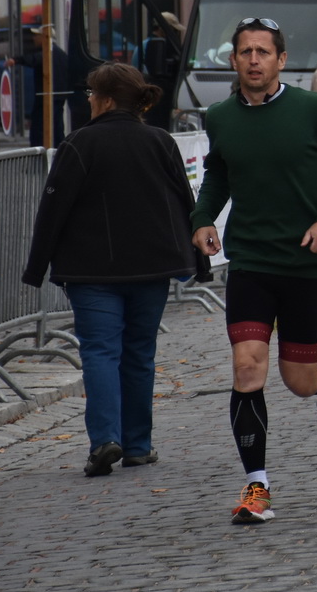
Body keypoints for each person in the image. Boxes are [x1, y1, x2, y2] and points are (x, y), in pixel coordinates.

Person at [189, 16, 317, 525]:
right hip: (249, 261)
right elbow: (218, 172)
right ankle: (257, 485)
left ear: (281, 60)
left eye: (263, 52)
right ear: (234, 60)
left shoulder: (313, 109)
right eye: (244, 51)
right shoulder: (220, 116)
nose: (253, 60)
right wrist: (203, 216)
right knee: (248, 368)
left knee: (296, 378)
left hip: (304, 264)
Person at [23, 63, 207, 477]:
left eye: (91, 94)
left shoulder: (79, 144)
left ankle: (105, 440)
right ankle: (139, 445)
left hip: (93, 272)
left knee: (100, 353)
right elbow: (185, 200)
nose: (88, 100)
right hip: (151, 269)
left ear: (105, 100)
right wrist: (199, 261)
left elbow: (53, 210)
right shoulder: (160, 141)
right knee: (139, 354)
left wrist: (36, 268)